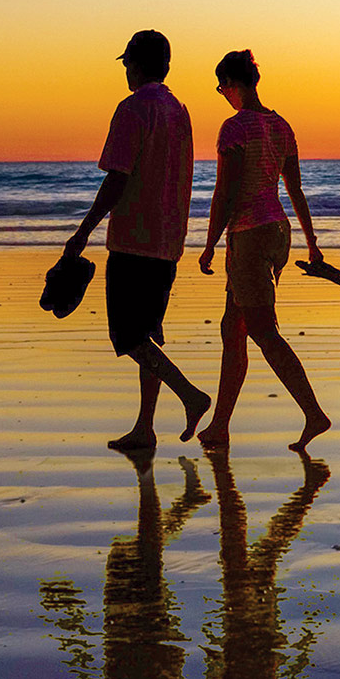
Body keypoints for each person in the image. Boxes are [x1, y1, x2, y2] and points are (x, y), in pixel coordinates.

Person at [65, 29, 214, 451]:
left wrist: (84, 230)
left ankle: (190, 394)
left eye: (127, 63)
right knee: (147, 333)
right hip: (169, 240)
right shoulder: (179, 111)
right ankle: (144, 427)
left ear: (137, 63)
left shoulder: (133, 109)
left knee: (128, 337)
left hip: (134, 240)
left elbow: (118, 176)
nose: (125, 71)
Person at [196, 49, 332, 451]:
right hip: (277, 232)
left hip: (250, 234)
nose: (222, 94)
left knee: (262, 331)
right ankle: (219, 425)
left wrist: (208, 244)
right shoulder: (281, 125)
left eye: (221, 88)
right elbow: (295, 190)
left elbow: (226, 192)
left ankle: (314, 413)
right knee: (232, 329)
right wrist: (311, 242)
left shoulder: (234, 128)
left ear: (233, 85)